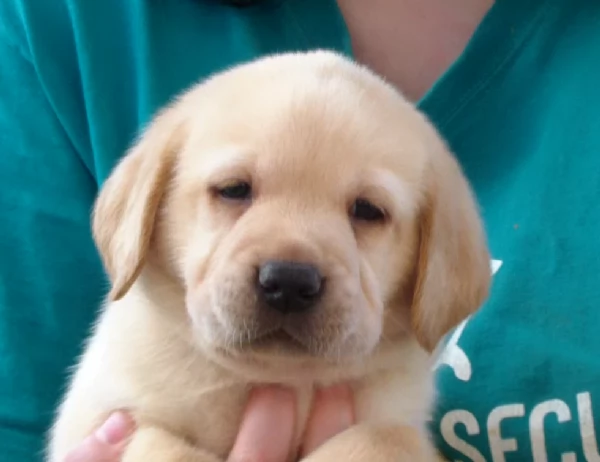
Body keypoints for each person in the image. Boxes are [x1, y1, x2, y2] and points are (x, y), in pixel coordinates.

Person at [1, 0, 599, 461]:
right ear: (146, 214)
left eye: (367, 212)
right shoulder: (61, 25)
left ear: (428, 260)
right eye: (233, 190)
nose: (291, 269)